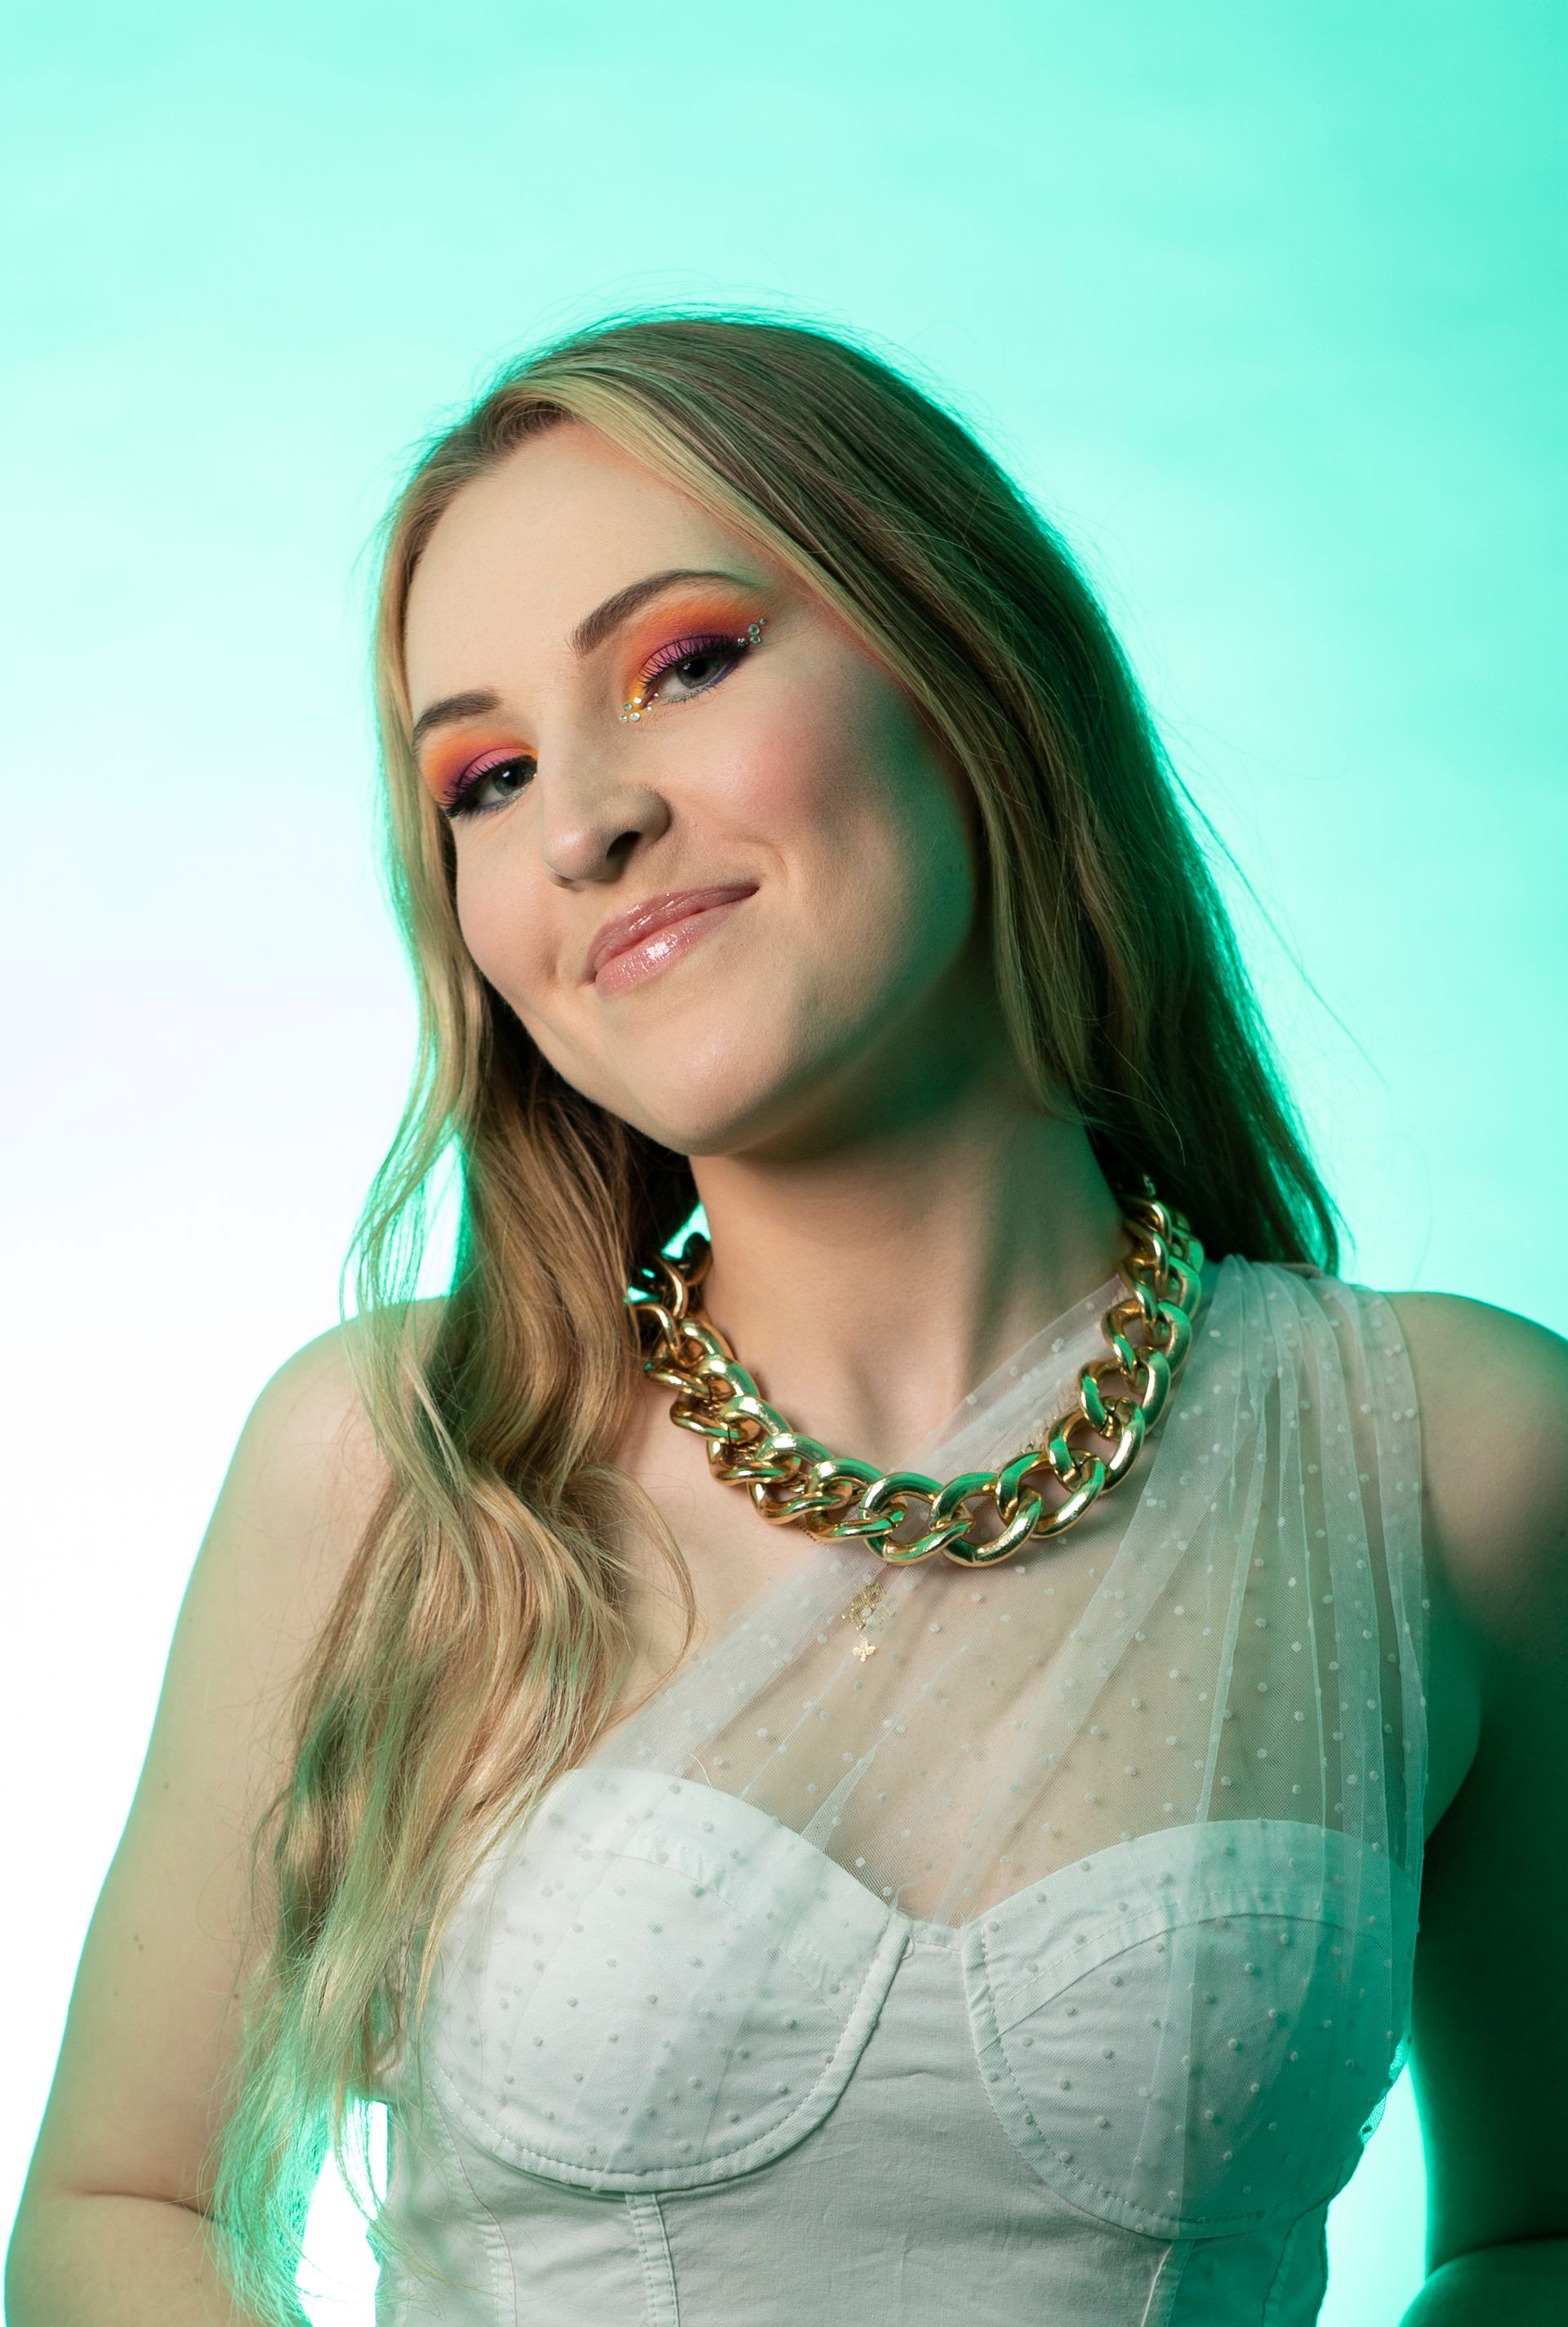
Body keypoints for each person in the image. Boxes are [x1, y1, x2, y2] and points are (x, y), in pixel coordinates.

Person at [7, 311, 1566, 2327]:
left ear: (965, 660)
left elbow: (1539, 2239)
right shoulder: (398, 1469)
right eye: (485, 777)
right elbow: (122, 2205)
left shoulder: (1453, 1462)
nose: (582, 823)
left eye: (685, 664)